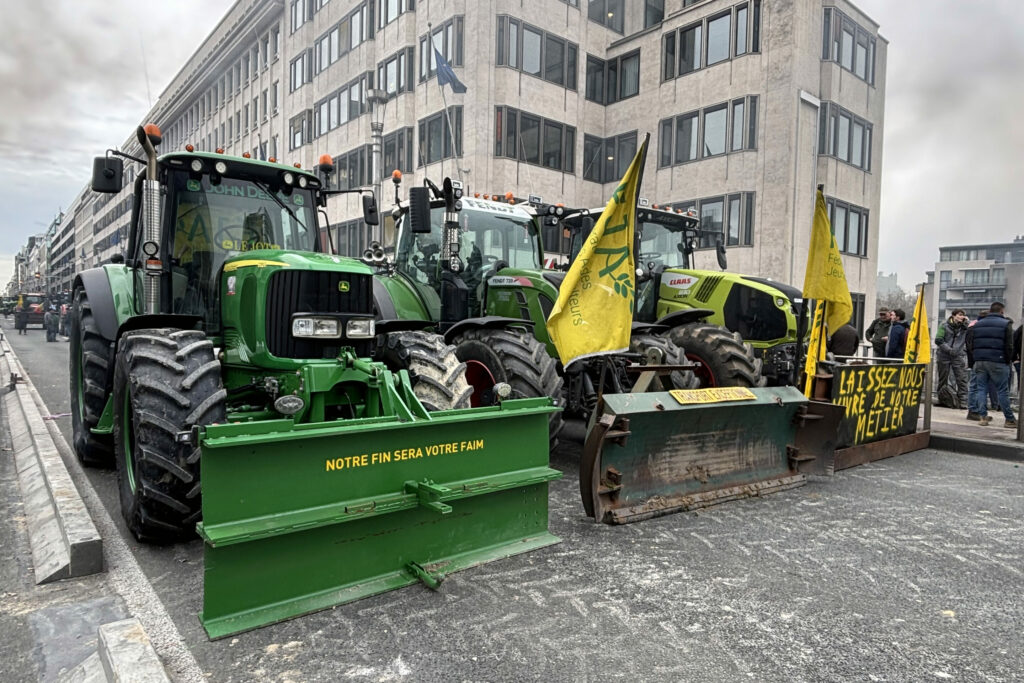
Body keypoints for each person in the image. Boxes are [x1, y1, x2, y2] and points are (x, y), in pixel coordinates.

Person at [965, 302, 1016, 427]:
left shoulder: (977, 325)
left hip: (980, 361)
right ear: (1001, 311)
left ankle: (982, 417)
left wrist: (976, 357)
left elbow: (971, 344)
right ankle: (1009, 419)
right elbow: (1009, 345)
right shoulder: (1006, 324)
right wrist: (1008, 360)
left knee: (981, 389)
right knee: (1002, 391)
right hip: (998, 361)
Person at [934, 309, 969, 408]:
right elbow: (939, 340)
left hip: (958, 355)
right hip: (944, 354)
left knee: (961, 378)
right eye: (959, 315)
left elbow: (969, 332)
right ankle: (942, 399)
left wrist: (965, 323)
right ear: (953, 316)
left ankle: (963, 401)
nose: (961, 317)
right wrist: (949, 350)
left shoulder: (964, 327)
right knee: (943, 378)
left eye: (963, 315)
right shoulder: (944, 325)